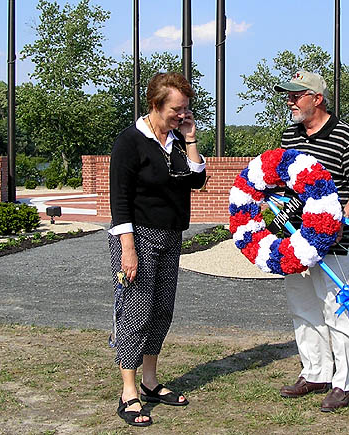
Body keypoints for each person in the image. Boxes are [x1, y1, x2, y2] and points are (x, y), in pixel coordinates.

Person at [273, 71, 349, 411]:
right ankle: (315, 371)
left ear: (316, 98)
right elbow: (287, 178)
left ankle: (346, 382)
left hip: (338, 242)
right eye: (288, 96)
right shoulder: (291, 135)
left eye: (296, 95)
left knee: (339, 311)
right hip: (298, 240)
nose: (289, 101)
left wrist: (339, 218)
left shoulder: (345, 135)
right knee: (303, 308)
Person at [108, 72, 206, 427]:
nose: (182, 115)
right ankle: (129, 391)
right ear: (156, 105)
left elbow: (197, 180)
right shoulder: (130, 142)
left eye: (186, 109)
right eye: (177, 110)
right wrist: (128, 249)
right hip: (139, 237)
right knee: (136, 313)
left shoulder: (177, 141)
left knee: (162, 311)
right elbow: (119, 199)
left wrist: (191, 138)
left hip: (170, 236)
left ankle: (150, 381)